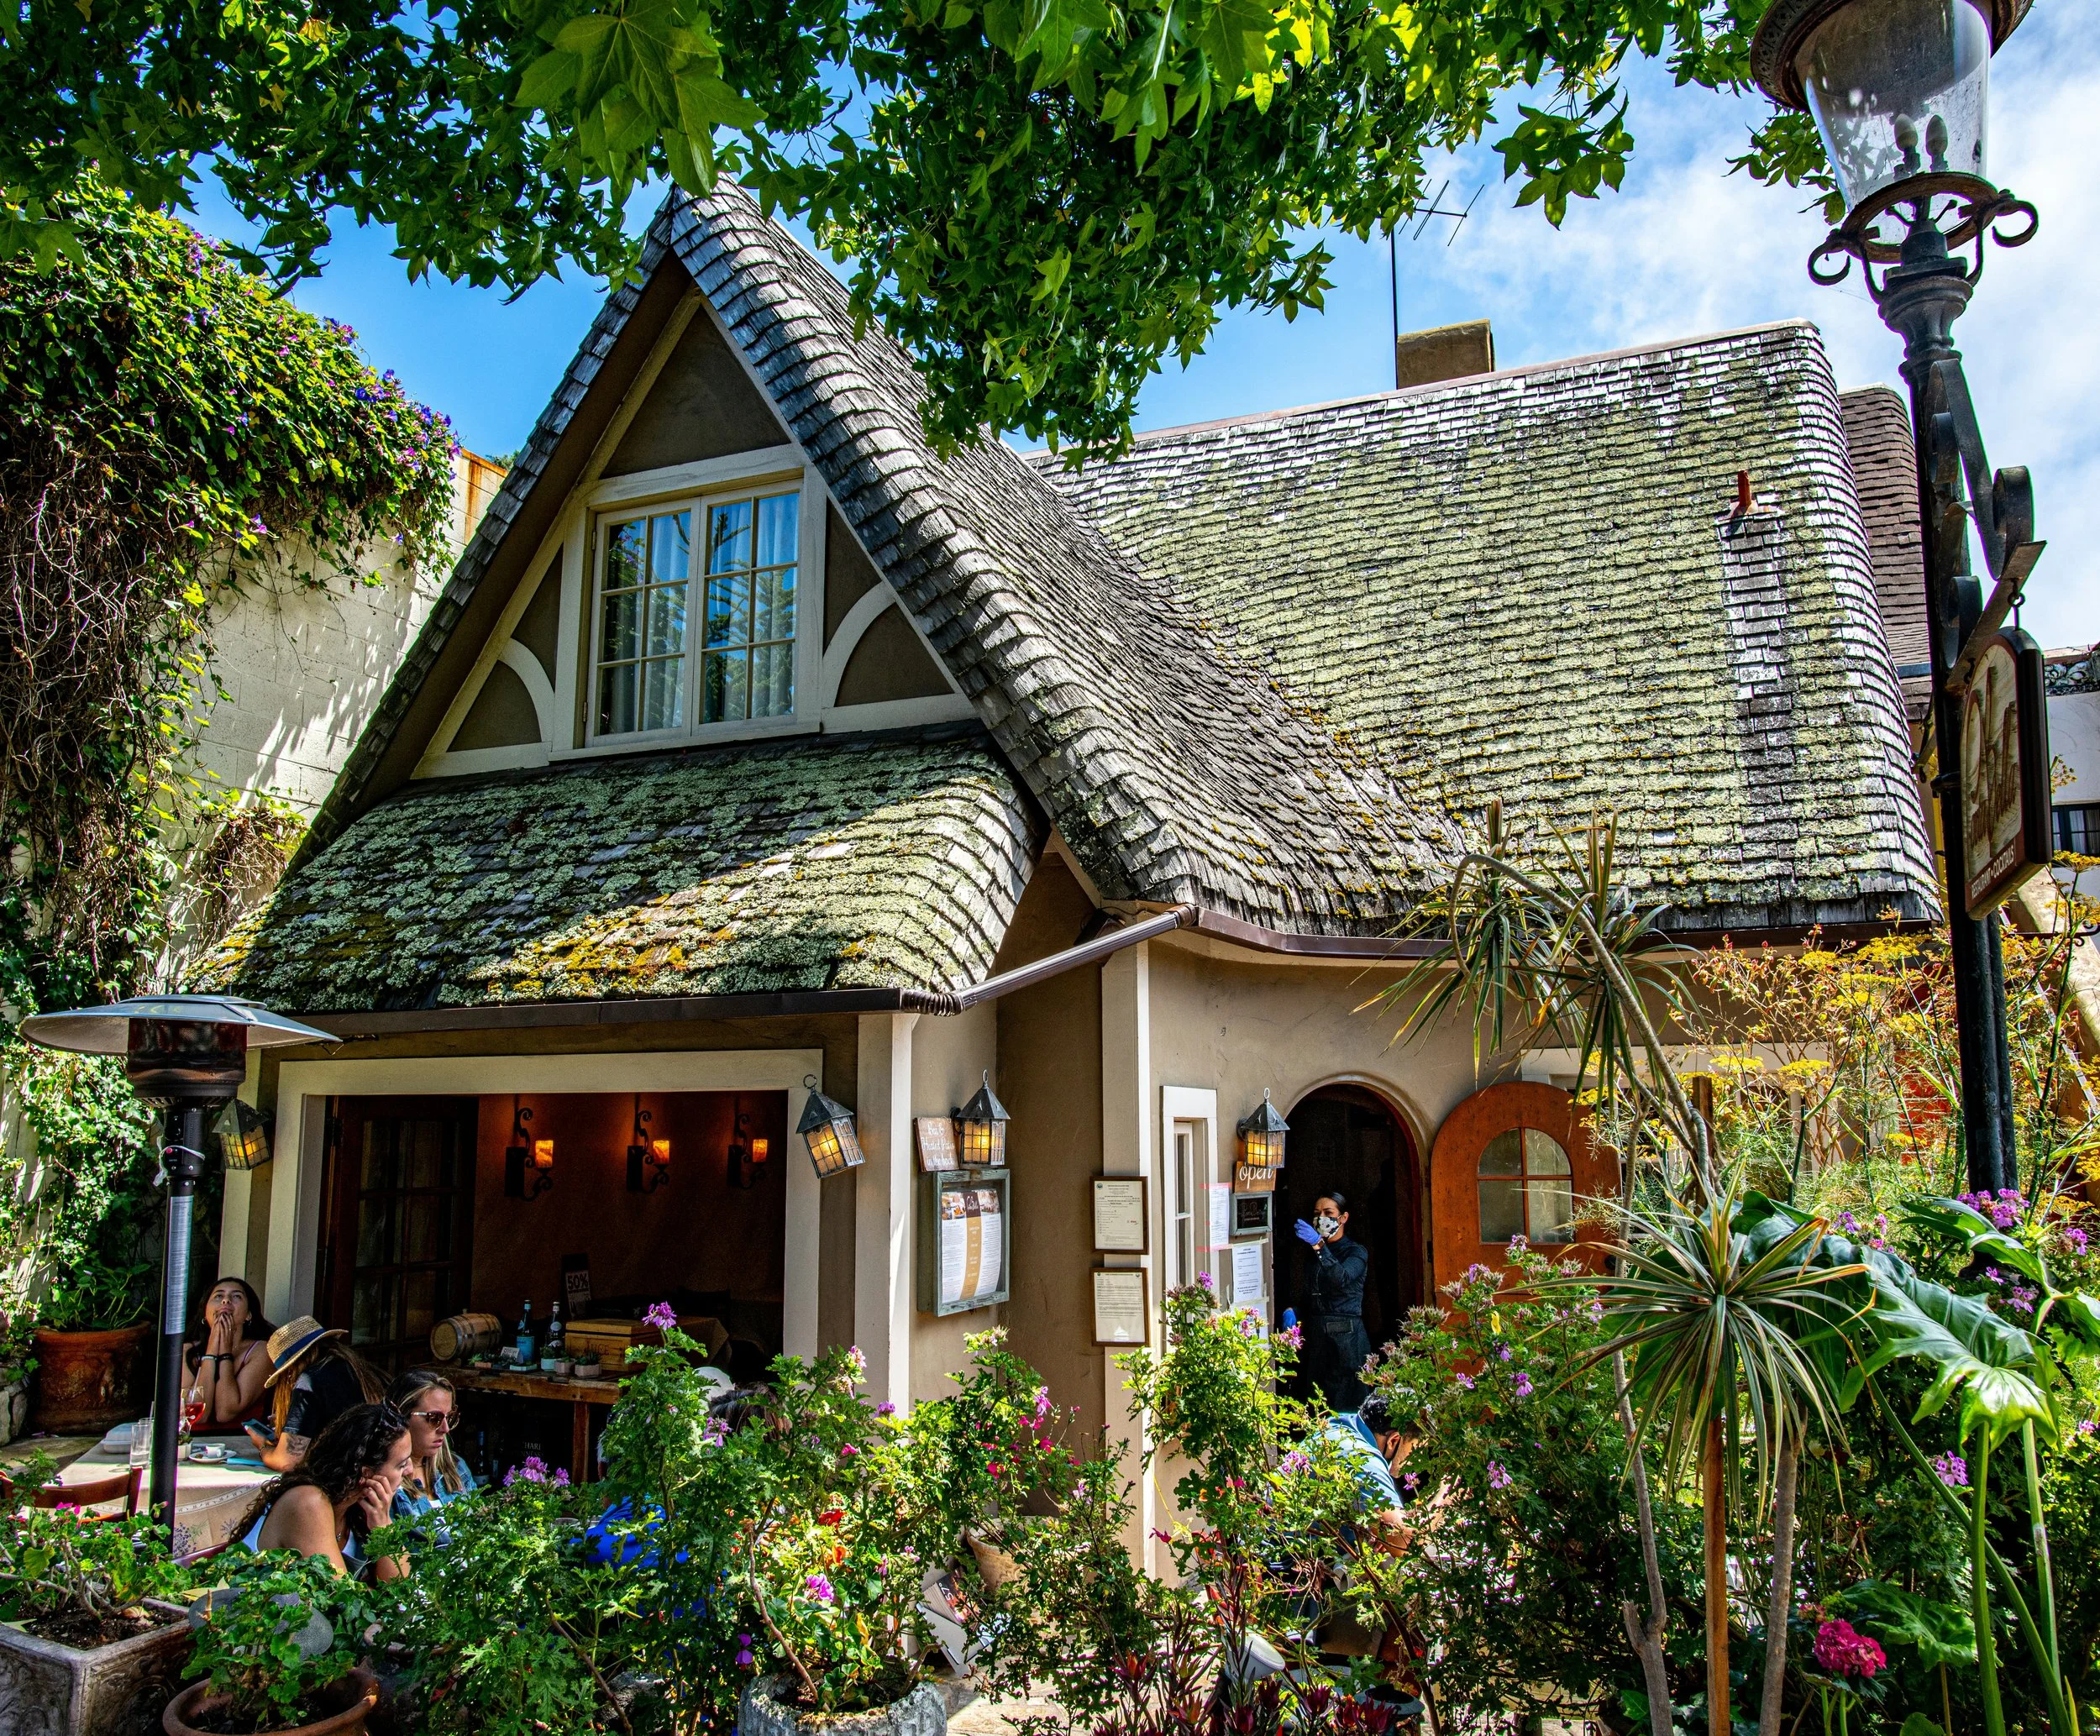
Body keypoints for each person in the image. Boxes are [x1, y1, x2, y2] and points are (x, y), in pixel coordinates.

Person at [236, 1403, 415, 1581]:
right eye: (401, 1464)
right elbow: (340, 1599)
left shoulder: (359, 1510)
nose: (409, 1471)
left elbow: (404, 1591)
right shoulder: (309, 1502)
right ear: (366, 1473)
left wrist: (384, 1526)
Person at [245, 1316, 385, 1472]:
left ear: (290, 1370)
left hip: (342, 1479)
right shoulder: (353, 1368)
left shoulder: (309, 1381)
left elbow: (287, 1461)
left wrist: (262, 1445)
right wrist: (293, 1422)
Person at [1294, 1192, 1372, 1411]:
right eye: (1317, 1214)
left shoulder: (1356, 1252)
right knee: (1316, 1405)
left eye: (1329, 1213)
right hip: (1318, 1338)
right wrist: (1295, 1310)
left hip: (1346, 1339)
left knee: (1346, 1404)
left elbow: (1342, 1278)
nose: (1321, 1219)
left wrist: (1319, 1245)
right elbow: (1311, 1293)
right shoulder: (1314, 1254)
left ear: (1343, 1218)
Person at [181, 1277, 275, 1431]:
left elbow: (225, 1413)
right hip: (193, 1445)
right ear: (205, 1313)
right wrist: (211, 1352)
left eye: (236, 1296)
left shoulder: (262, 1351)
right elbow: (197, 1416)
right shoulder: (187, 1351)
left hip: (239, 1444)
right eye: (219, 1296)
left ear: (248, 1315)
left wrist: (225, 1351)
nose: (226, 1300)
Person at [386, 1369, 477, 1526]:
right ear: (401, 1416)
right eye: (434, 1418)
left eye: (449, 1417)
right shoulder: (389, 1480)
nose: (446, 1428)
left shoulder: (457, 1468)